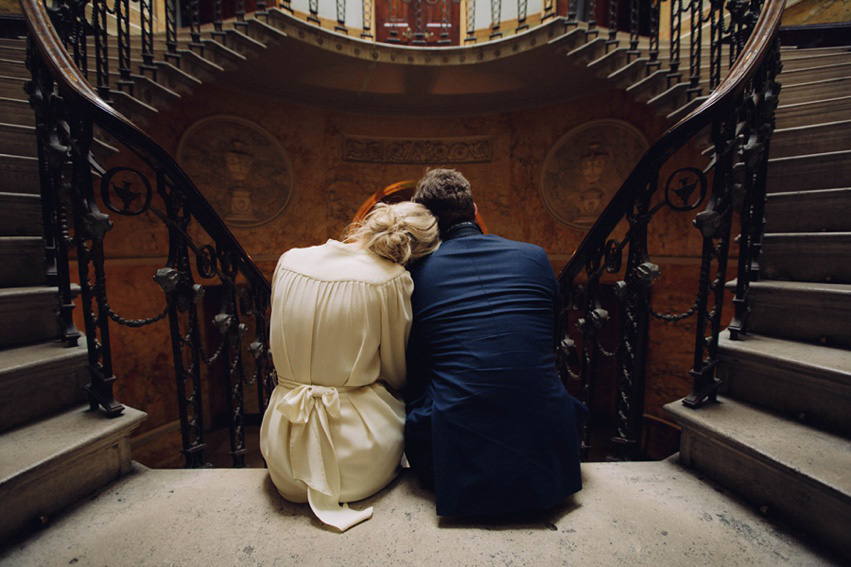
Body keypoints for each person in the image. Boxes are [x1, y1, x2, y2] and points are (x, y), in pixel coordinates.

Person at [404, 168, 588, 517]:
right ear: (474, 209)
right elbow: (547, 344)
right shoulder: (535, 256)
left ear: (425, 219)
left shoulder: (416, 273)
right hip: (549, 455)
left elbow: (416, 368)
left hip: (458, 464)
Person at [259, 201, 440, 532]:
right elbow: (396, 373)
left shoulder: (289, 261)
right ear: (414, 254)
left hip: (282, 451)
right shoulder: (391, 281)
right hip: (358, 461)